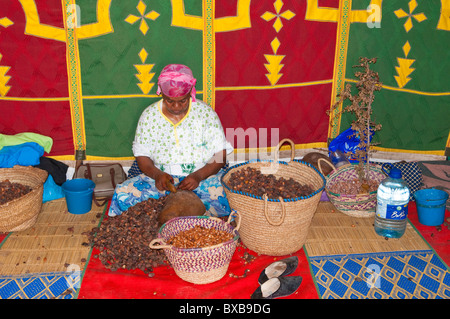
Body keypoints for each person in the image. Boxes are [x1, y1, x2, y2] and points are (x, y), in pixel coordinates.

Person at [108, 64, 233, 217]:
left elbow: (220, 155)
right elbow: (142, 157)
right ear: (161, 93)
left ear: (190, 93)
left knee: (229, 196)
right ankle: (192, 214)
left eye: (183, 101)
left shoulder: (206, 113)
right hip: (162, 181)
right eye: (169, 101)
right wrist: (157, 175)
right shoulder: (149, 116)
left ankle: (173, 215)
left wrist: (198, 176)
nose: (176, 106)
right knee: (123, 194)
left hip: (201, 179)